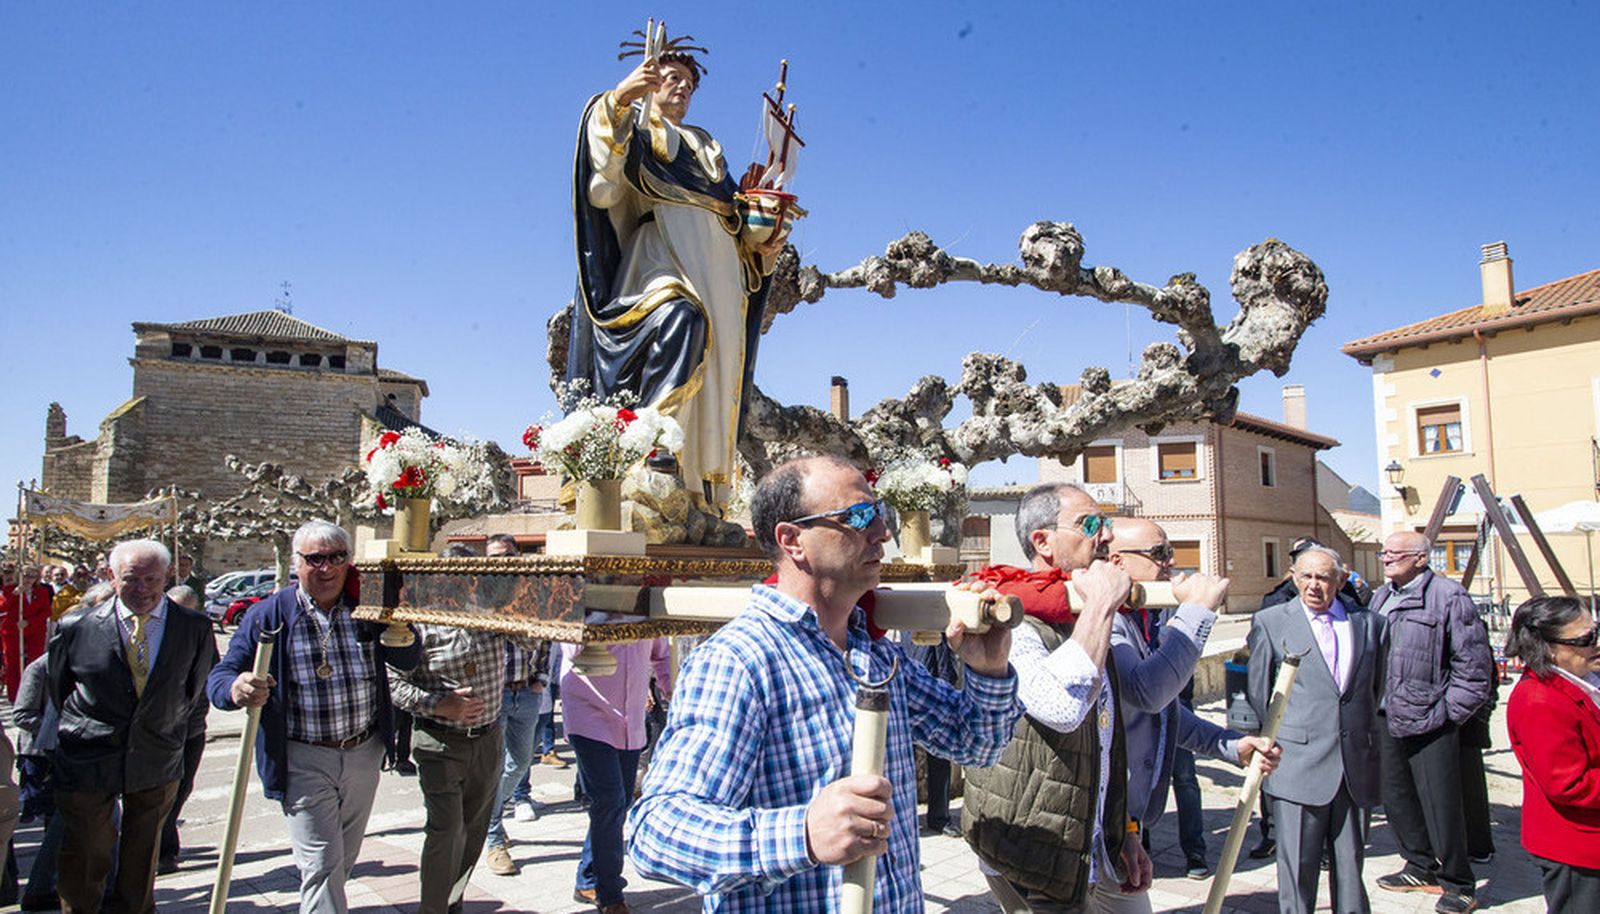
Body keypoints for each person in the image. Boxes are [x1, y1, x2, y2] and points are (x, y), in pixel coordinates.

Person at [629, 456, 1020, 913]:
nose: (883, 533)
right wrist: (804, 834)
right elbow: (656, 833)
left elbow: (976, 746)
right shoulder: (740, 662)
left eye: (881, 515)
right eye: (858, 518)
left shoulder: (874, 653)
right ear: (792, 540)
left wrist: (988, 670)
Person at [963, 487, 1223, 913]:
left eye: (1103, 525)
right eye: (1088, 525)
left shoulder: (1084, 611)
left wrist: (1124, 830)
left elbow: (1107, 737)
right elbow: (1062, 709)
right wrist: (1104, 602)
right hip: (1034, 851)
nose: (1104, 536)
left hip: (1095, 841)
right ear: (1042, 542)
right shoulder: (1010, 616)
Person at [569, 33, 787, 511]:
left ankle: (697, 493)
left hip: (719, 270)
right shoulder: (639, 130)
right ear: (648, 83)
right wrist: (620, 98)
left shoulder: (707, 149)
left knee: (717, 367)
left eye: (689, 82)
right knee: (680, 319)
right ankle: (652, 447)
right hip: (661, 257)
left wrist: (760, 227)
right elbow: (602, 186)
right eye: (672, 78)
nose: (683, 88)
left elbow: (738, 229)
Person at [207, 520, 421, 914]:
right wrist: (236, 688)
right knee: (322, 863)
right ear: (296, 563)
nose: (326, 568)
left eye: (337, 558)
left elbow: (408, 660)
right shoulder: (269, 615)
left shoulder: (368, 607)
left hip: (363, 750)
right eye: (315, 559)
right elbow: (220, 676)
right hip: (303, 757)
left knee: (342, 859)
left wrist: (402, 626)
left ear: (348, 561)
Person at [47, 539, 216, 914]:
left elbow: (193, 688)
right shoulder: (76, 626)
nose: (142, 589)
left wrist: (165, 728)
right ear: (111, 577)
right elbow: (60, 688)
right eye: (130, 579)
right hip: (89, 754)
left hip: (157, 754)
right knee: (87, 849)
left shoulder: (194, 627)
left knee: (143, 854)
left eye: (151, 579)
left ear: (167, 576)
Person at [1106, 517, 1276, 883]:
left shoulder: (1140, 617)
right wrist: (1198, 612)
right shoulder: (1108, 622)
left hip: (1122, 820)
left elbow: (1160, 717)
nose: (1169, 562)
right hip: (1095, 825)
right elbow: (1148, 694)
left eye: (1170, 552)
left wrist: (1228, 744)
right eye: (1159, 553)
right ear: (1117, 561)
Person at [389, 541, 536, 913]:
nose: (461, 587)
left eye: (469, 580)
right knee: (446, 831)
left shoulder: (491, 616)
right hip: (439, 742)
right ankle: (433, 909)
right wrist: (441, 704)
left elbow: (533, 636)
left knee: (471, 833)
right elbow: (391, 682)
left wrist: (509, 600)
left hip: (487, 739)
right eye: (452, 580)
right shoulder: (418, 623)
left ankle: (453, 902)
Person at [1247, 544, 1384, 914]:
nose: (1313, 585)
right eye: (1305, 576)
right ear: (1293, 577)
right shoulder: (1272, 622)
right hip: (1297, 765)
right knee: (1297, 872)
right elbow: (1260, 694)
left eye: (1323, 577)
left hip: (1353, 766)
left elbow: (1374, 690)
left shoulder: (1370, 624)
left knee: (1351, 867)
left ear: (1339, 581)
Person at [1369, 531, 1493, 914]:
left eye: (1395, 553)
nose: (1386, 558)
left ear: (1421, 559)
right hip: (1385, 715)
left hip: (1431, 720)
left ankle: (1458, 882)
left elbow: (1474, 670)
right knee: (1397, 798)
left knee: (1442, 806)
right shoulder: (1381, 596)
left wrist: (1446, 716)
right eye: (1384, 552)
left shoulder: (1449, 597)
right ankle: (1418, 865)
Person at [1501, 595, 1600, 912]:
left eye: (1595, 632)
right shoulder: (1539, 700)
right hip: (1576, 847)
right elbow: (1568, 784)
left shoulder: (1581, 679)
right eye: (1586, 639)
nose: (1596, 644)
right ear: (1548, 647)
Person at [565, 633, 672, 912]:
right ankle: (610, 894)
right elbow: (571, 650)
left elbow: (660, 653)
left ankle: (587, 877)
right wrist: (606, 617)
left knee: (619, 803)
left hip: (631, 719)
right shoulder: (587, 602)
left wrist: (669, 687)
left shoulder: (645, 608)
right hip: (588, 715)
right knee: (610, 801)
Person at [480, 533, 552, 877]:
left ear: (518, 557)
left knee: (521, 763)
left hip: (526, 691)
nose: (501, 563)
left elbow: (548, 634)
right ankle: (493, 837)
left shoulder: (533, 595)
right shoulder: (479, 598)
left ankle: (486, 817)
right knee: (493, 766)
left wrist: (540, 677)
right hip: (491, 693)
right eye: (494, 558)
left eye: (507, 556)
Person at [157, 584, 217, 875]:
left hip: (191, 725)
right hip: (159, 728)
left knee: (181, 788)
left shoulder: (199, 630)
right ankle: (163, 851)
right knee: (159, 792)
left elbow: (213, 672)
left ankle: (164, 847)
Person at [2, 565, 54, 701]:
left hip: (35, 630)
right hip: (14, 631)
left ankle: (33, 695)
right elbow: (3, 607)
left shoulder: (42, 591)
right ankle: (15, 696)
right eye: (26, 575)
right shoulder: (9, 590)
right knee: (13, 663)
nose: (28, 579)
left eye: (32, 576)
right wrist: (15, 594)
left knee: (34, 662)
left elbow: (47, 611)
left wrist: (29, 622)